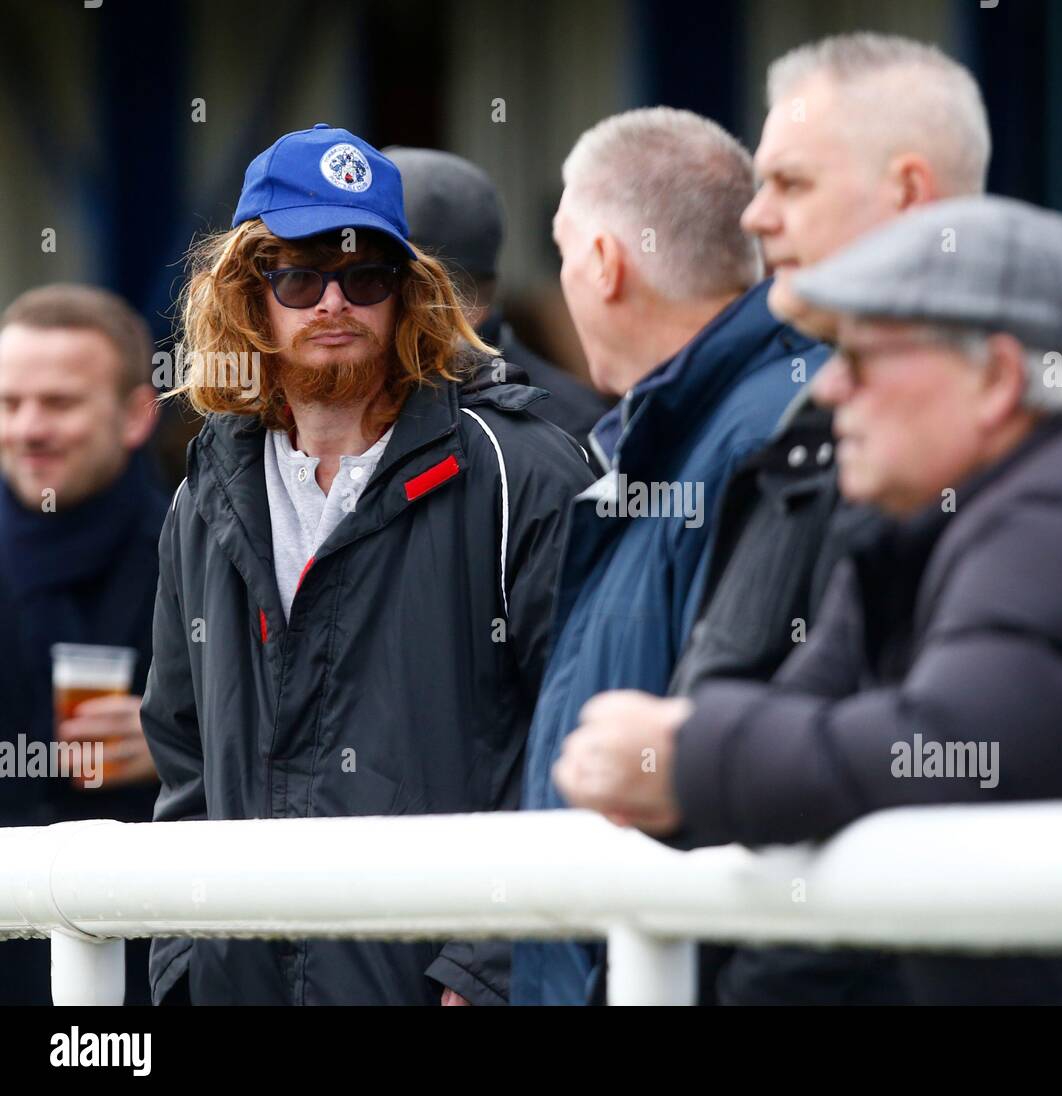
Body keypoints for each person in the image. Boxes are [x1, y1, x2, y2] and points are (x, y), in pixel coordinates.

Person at [554, 195, 1062, 1006]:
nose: (833, 387)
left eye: (864, 356)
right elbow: (811, 710)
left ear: (998, 380)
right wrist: (683, 781)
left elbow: (965, 746)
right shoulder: (924, 511)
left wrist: (691, 759)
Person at [142, 124, 593, 1005]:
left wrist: (491, 967)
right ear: (250, 292)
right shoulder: (204, 494)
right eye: (301, 275)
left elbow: (578, 731)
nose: (333, 303)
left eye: (366, 276)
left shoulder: (522, 468)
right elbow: (183, 754)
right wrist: (184, 967)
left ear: (407, 294)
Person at [667, 31, 992, 1005]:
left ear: (908, 193)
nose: (756, 218)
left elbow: (937, 764)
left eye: (792, 184)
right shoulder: (805, 419)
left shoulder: (1020, 460)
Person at [509, 107, 827, 1005]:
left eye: (568, 252)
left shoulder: (761, 437)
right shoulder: (691, 428)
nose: (568, 279)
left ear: (605, 263)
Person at [0, 284, 166, 1004]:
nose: (29, 428)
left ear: (135, 415)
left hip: (140, 968)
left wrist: (178, 742)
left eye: (60, 403)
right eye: (9, 404)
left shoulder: (203, 557)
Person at [383, 146, 611, 441]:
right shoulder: (572, 416)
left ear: (428, 287)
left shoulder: (560, 428)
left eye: (369, 276)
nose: (337, 300)